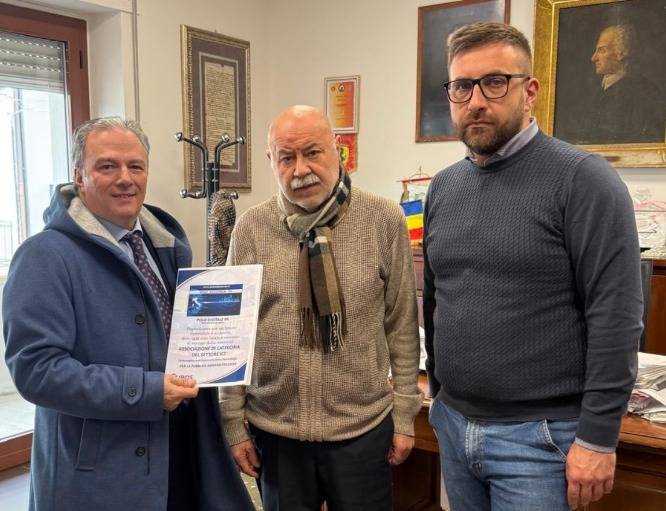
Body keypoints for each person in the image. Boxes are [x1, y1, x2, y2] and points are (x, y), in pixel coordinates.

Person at [423, 23, 643, 511]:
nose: (476, 101)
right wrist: (439, 393)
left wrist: (598, 437)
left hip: (541, 441)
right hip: (454, 424)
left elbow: (617, 317)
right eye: (462, 87)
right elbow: (437, 299)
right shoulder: (443, 187)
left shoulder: (583, 180)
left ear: (530, 91)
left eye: (494, 83)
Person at [3, 117, 253, 511]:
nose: (125, 178)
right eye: (107, 166)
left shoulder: (163, 248)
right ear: (79, 176)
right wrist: (146, 392)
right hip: (103, 475)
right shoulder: (43, 257)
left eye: (135, 166)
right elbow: (37, 371)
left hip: (180, 452)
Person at [220, 105, 423, 510]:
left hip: (362, 431)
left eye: (313, 153)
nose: (301, 170)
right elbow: (232, 331)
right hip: (276, 434)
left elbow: (401, 324)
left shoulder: (383, 219)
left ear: (337, 149)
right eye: (286, 158)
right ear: (271, 160)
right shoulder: (251, 228)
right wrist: (232, 423)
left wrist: (404, 415)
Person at [584, 24, 664, 144]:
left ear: (620, 54)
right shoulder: (599, 90)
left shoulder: (644, 92)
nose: (594, 58)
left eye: (602, 50)